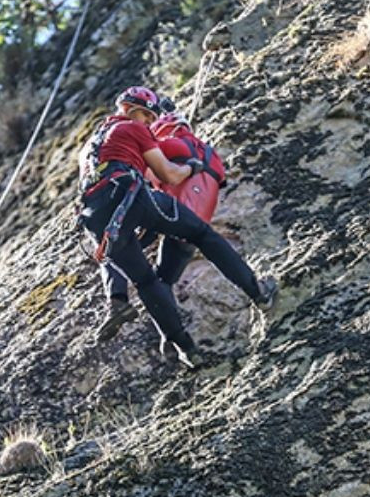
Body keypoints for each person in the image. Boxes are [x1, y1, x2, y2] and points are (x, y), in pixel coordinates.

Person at [78, 86, 275, 368]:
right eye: (147, 116)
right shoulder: (133, 128)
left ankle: (187, 350)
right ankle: (259, 293)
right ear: (134, 110)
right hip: (128, 195)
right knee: (202, 234)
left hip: (95, 216)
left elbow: (131, 169)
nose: (148, 123)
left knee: (145, 280)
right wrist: (191, 169)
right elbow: (167, 174)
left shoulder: (89, 148)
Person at [96, 112, 226, 342]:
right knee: (164, 279)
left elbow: (155, 171)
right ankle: (171, 337)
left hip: (170, 216)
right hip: (194, 226)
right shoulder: (209, 154)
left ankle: (164, 333)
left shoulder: (168, 143)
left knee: (119, 254)